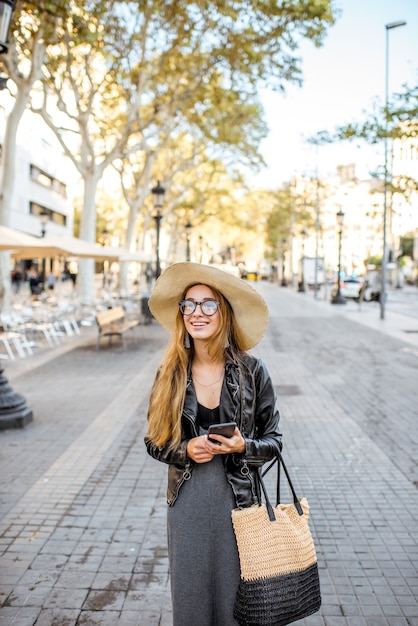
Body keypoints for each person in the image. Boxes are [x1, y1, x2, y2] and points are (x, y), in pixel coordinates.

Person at [145, 262, 282, 626]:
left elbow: (275, 442)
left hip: (238, 503)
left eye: (208, 304)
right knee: (190, 601)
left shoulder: (253, 371)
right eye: (189, 304)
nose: (196, 313)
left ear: (224, 312)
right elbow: (153, 442)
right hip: (186, 501)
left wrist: (243, 447)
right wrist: (185, 450)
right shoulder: (170, 372)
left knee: (237, 604)